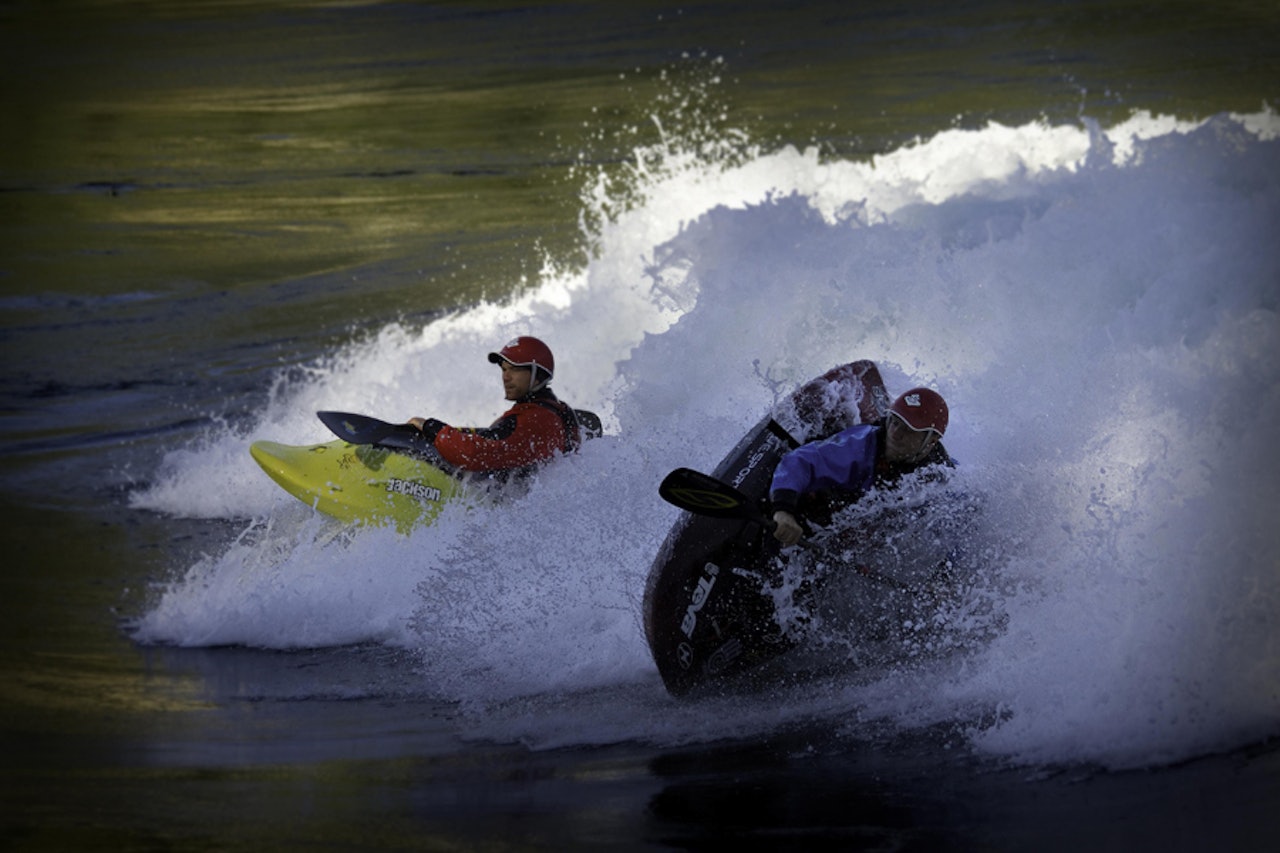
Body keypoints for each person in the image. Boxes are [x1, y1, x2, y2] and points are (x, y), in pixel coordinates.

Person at [769, 384, 953, 547]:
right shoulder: (859, 445)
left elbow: (961, 523)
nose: (895, 434)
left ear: (932, 441)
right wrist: (783, 510)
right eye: (895, 423)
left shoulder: (942, 475)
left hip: (871, 538)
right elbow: (799, 460)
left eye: (908, 430)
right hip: (825, 511)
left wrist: (944, 575)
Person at [407, 336, 583, 480]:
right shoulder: (559, 411)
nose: (505, 377)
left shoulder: (531, 419)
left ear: (537, 376)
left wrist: (431, 427)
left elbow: (475, 454)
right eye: (504, 370)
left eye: (514, 370)